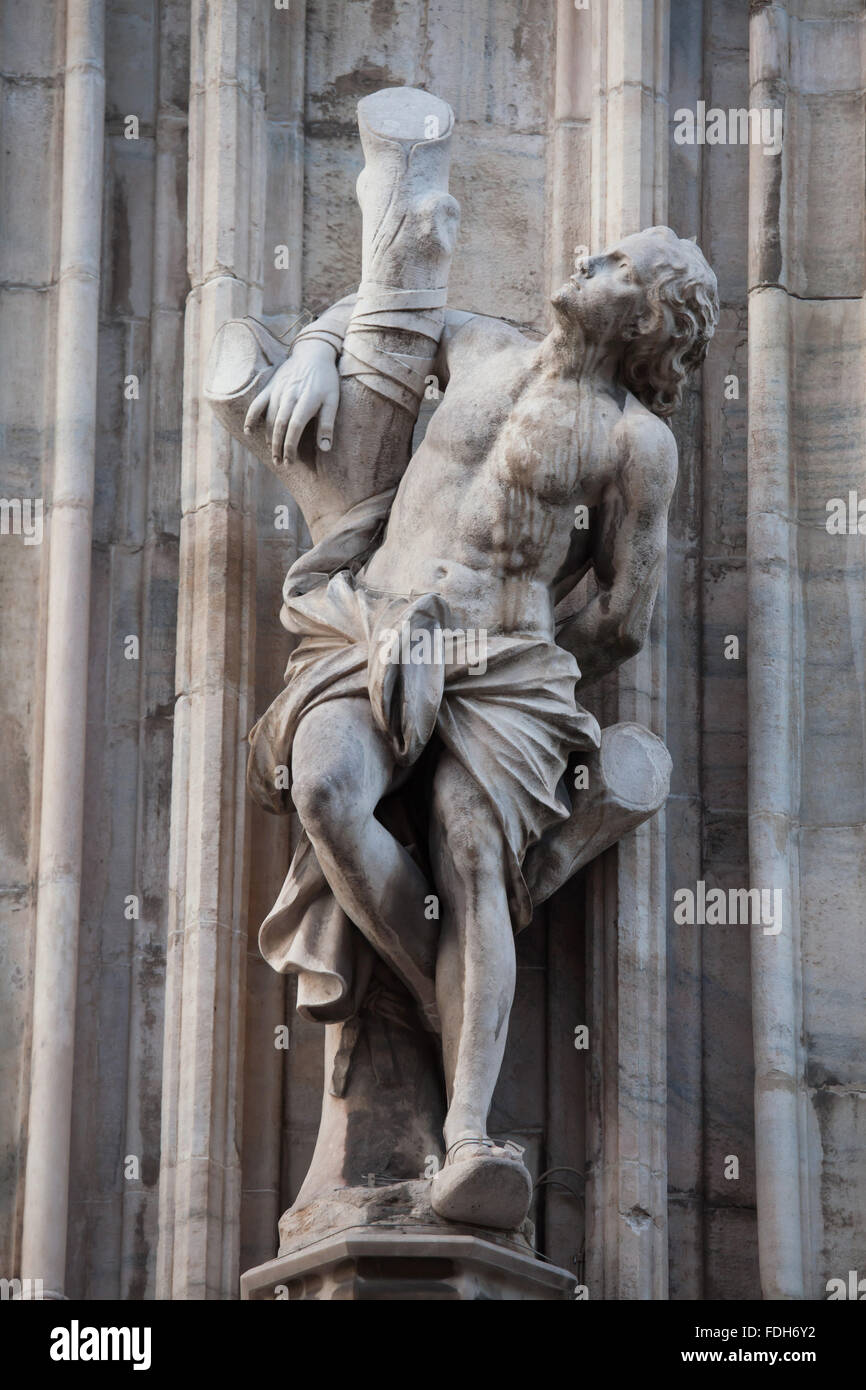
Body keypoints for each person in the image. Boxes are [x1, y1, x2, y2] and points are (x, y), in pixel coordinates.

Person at [245, 226, 718, 1228]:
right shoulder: (481, 343)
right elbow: (385, 318)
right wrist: (315, 352)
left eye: (618, 266)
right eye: (597, 252)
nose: (586, 261)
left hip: (507, 671)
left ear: (648, 320)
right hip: (370, 622)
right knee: (325, 788)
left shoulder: (636, 441)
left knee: (470, 853)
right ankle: (448, 1003)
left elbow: (623, 620)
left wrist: (484, 650)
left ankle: (467, 1132)